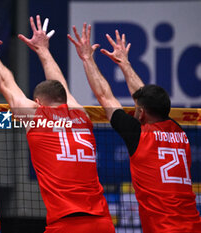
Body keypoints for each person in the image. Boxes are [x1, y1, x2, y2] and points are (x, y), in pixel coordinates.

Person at [0, 13, 115, 233]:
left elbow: (6, 84)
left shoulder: (35, 117)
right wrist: (44, 49)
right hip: (101, 222)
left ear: (37, 102)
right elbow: (60, 85)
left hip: (65, 223)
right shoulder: (82, 116)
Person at [68, 23, 201, 232]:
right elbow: (143, 95)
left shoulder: (138, 135)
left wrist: (87, 58)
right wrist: (124, 63)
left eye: (137, 108)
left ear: (143, 113)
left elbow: (105, 97)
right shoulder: (179, 131)